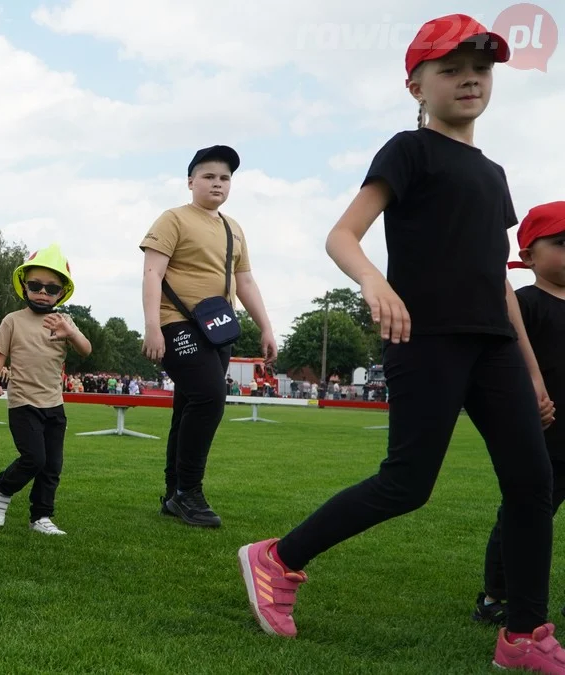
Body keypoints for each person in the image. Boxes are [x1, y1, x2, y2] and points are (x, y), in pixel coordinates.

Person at [237, 16, 565, 671]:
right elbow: (343, 234)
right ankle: (277, 558)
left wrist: (531, 370)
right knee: (407, 484)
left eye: (481, 67)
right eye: (450, 68)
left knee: (533, 483)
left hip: (495, 346)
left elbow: (499, 281)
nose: (469, 78)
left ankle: (523, 634)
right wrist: (372, 283)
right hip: (425, 338)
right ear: (416, 84)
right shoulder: (408, 151)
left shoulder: (493, 173)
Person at [139, 144, 276, 529]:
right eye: (209, 176)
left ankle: (173, 494)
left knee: (187, 407)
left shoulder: (234, 228)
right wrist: (152, 326)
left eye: (225, 178)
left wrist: (265, 326)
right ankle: (189, 492)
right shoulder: (173, 220)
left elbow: (244, 280)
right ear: (190, 182)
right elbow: (152, 273)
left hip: (218, 329)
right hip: (175, 324)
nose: (217, 183)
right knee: (209, 396)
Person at [474, 201, 565, 626]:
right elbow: (504, 360)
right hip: (541, 433)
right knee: (525, 513)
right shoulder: (523, 304)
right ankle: (497, 593)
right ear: (528, 255)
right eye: (562, 243)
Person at [0, 244, 91, 536]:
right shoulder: (13, 320)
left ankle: (41, 516)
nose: (43, 292)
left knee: (52, 466)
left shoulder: (64, 322)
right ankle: (0, 489)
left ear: (61, 293)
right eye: (36, 285)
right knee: (34, 459)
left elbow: (86, 350)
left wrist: (72, 333)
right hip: (23, 403)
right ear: (24, 287)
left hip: (54, 405)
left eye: (51, 288)